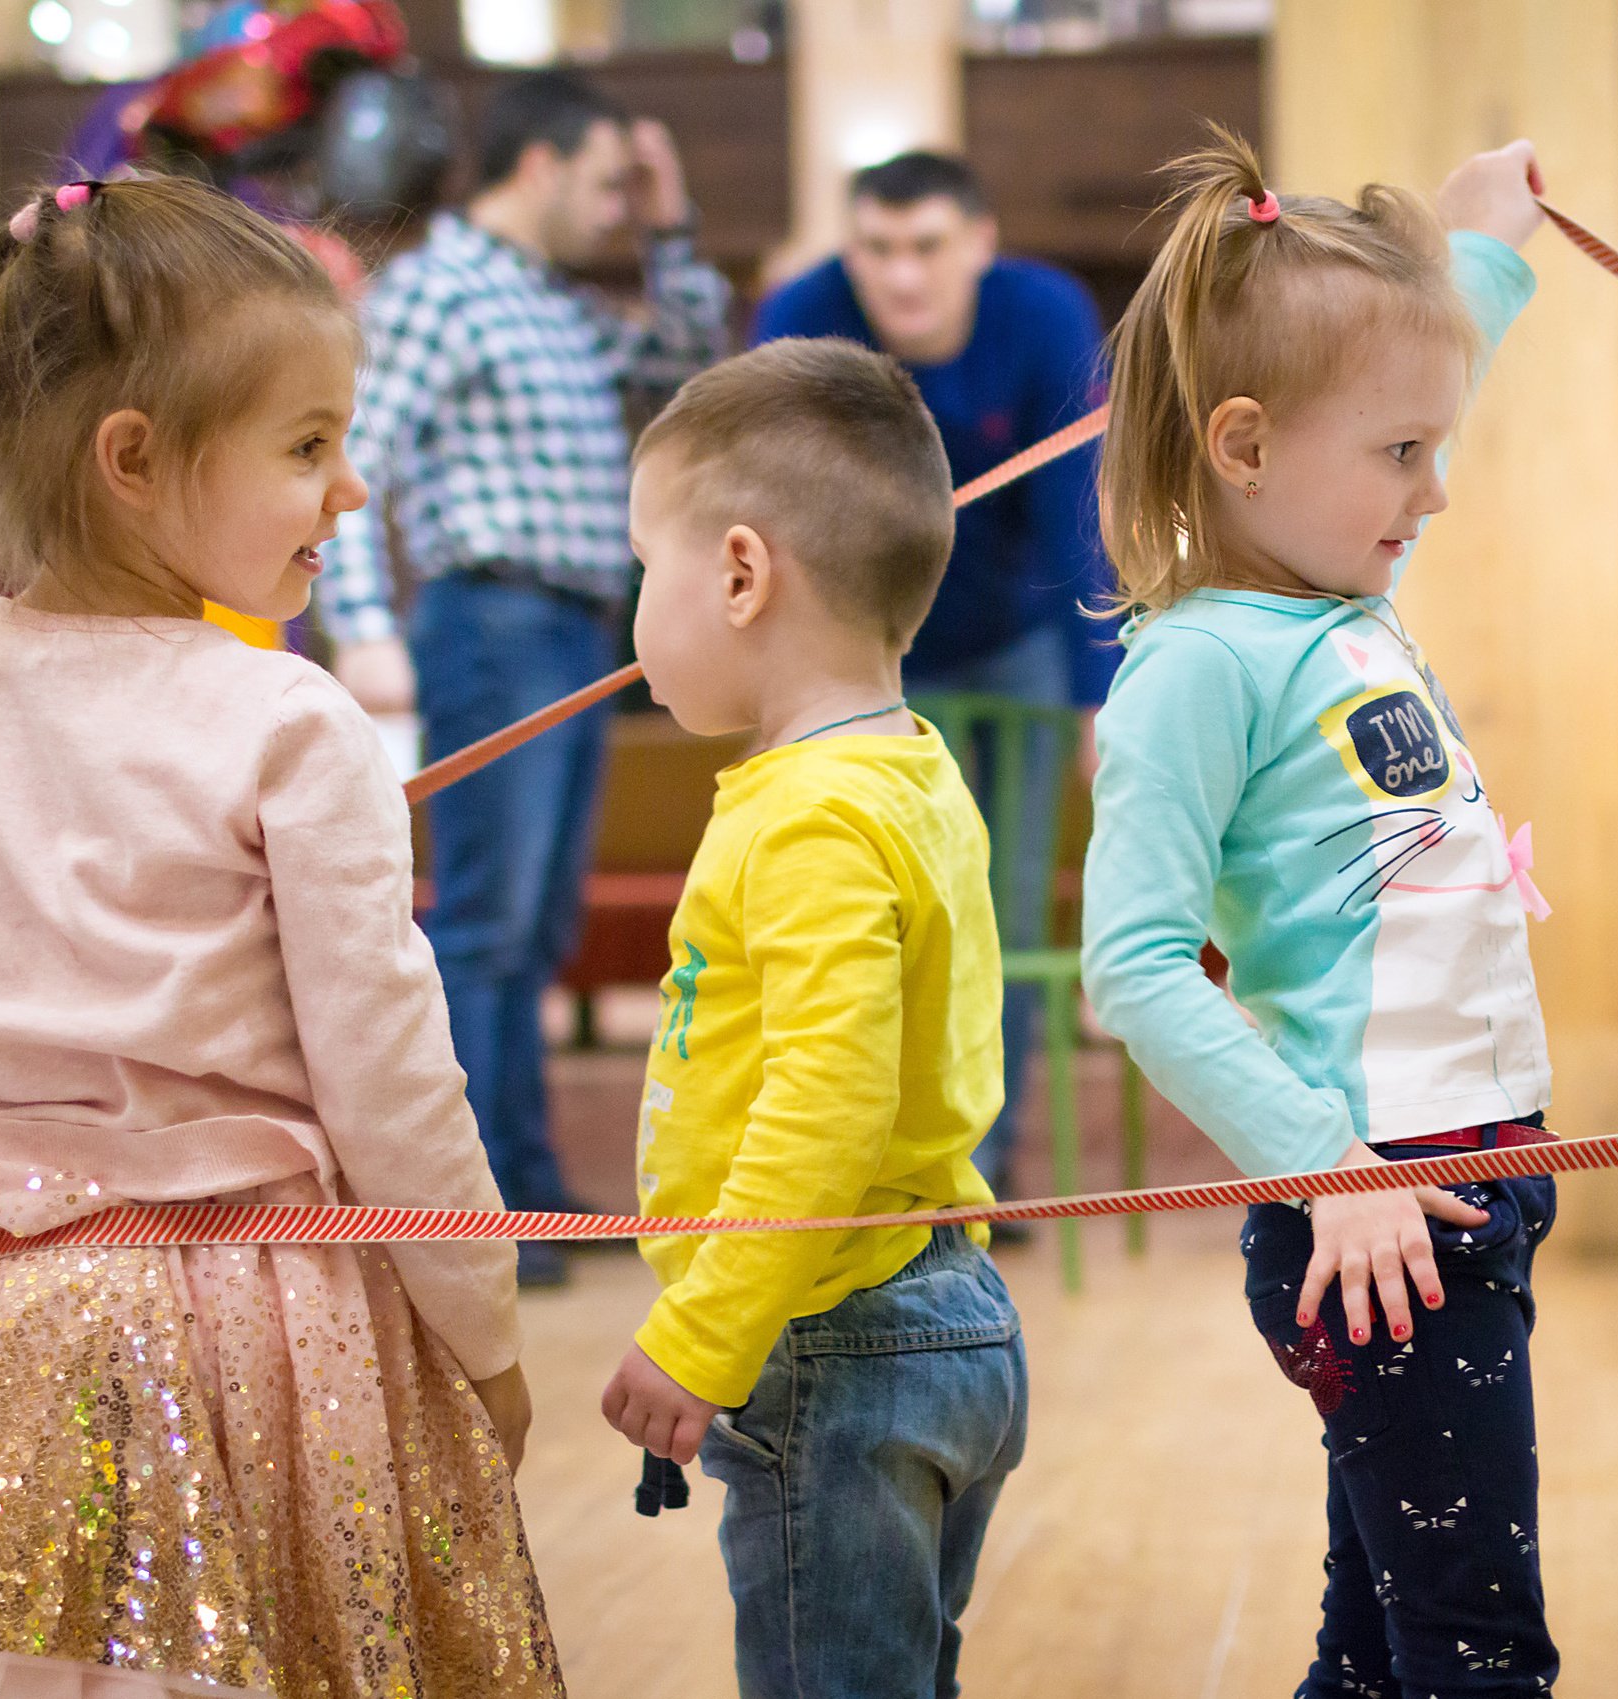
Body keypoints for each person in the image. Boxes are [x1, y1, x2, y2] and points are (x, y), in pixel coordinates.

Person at [0, 173, 559, 1695]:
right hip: (254, 1330)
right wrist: (485, 1335)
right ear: (135, 460)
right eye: (308, 447)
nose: (352, 490)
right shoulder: (292, 716)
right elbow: (395, 1082)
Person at [1079, 133, 1558, 1696]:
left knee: (1379, 1650)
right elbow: (1137, 968)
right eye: (1404, 454)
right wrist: (1324, 1166)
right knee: (1476, 1652)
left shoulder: (1331, 590)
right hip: (1375, 1207)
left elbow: (1435, 343)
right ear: (1242, 445)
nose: (1441, 486)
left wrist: (1489, 234)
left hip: (1459, 1178)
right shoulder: (1203, 665)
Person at [596, 337, 1027, 1698]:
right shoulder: (907, 766)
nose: (632, 620)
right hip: (937, 1302)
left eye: (640, 571)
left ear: (737, 572)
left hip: (835, 1338)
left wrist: (706, 1327)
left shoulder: (807, 818)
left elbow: (826, 1104)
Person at [320, 69, 730, 1285]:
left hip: (570, 627)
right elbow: (357, 454)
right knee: (491, 926)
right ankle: (484, 1194)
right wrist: (361, 625)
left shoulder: (546, 297)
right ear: (540, 167)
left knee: (538, 925)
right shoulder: (441, 286)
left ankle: (533, 1180)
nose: (616, 209)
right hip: (486, 622)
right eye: (606, 183)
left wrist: (669, 222)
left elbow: (689, 357)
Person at [753, 151, 1113, 1202]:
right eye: (876, 250)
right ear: (847, 249)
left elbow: (1075, 511)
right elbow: (771, 511)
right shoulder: (802, 313)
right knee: (861, 912)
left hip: (1017, 642)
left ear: (979, 244)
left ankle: (978, 1170)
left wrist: (1099, 693)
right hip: (859, 651)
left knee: (994, 911)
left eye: (927, 249)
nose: (901, 277)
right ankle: (868, 1167)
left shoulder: (1044, 314)